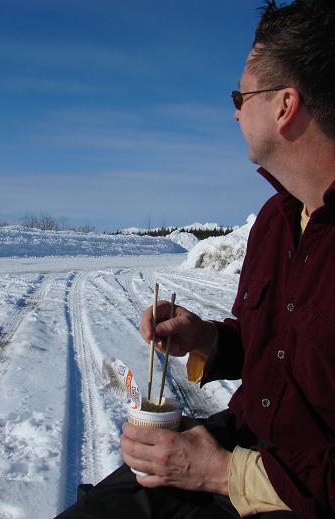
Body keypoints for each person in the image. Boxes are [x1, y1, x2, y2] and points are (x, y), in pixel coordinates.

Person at [55, 1, 335, 517]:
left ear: (284, 106)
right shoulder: (276, 220)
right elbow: (281, 350)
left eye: (240, 96)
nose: (233, 112)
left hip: (298, 488)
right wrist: (208, 338)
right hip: (243, 437)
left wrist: (222, 472)